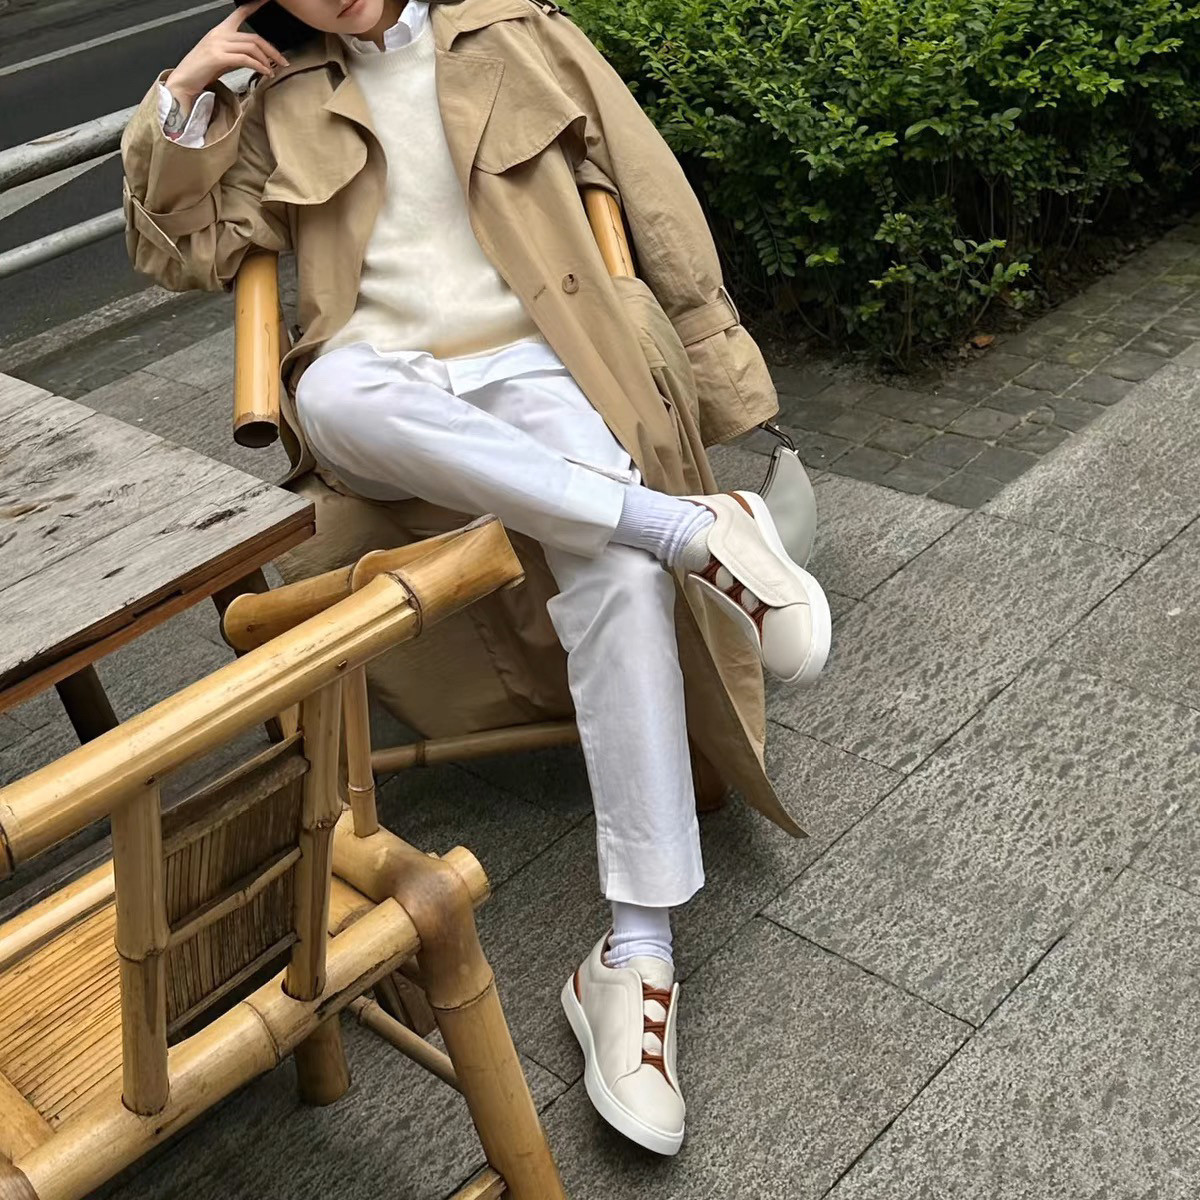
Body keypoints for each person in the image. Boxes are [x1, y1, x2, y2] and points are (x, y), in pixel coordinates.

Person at [121, 0, 830, 1157]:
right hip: (386, 388)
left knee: (610, 570)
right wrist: (183, 95)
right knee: (332, 390)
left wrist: (714, 365)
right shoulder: (274, 95)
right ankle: (688, 531)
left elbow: (648, 188)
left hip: (540, 360)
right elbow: (182, 252)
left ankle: (636, 955)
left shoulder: (515, 29)